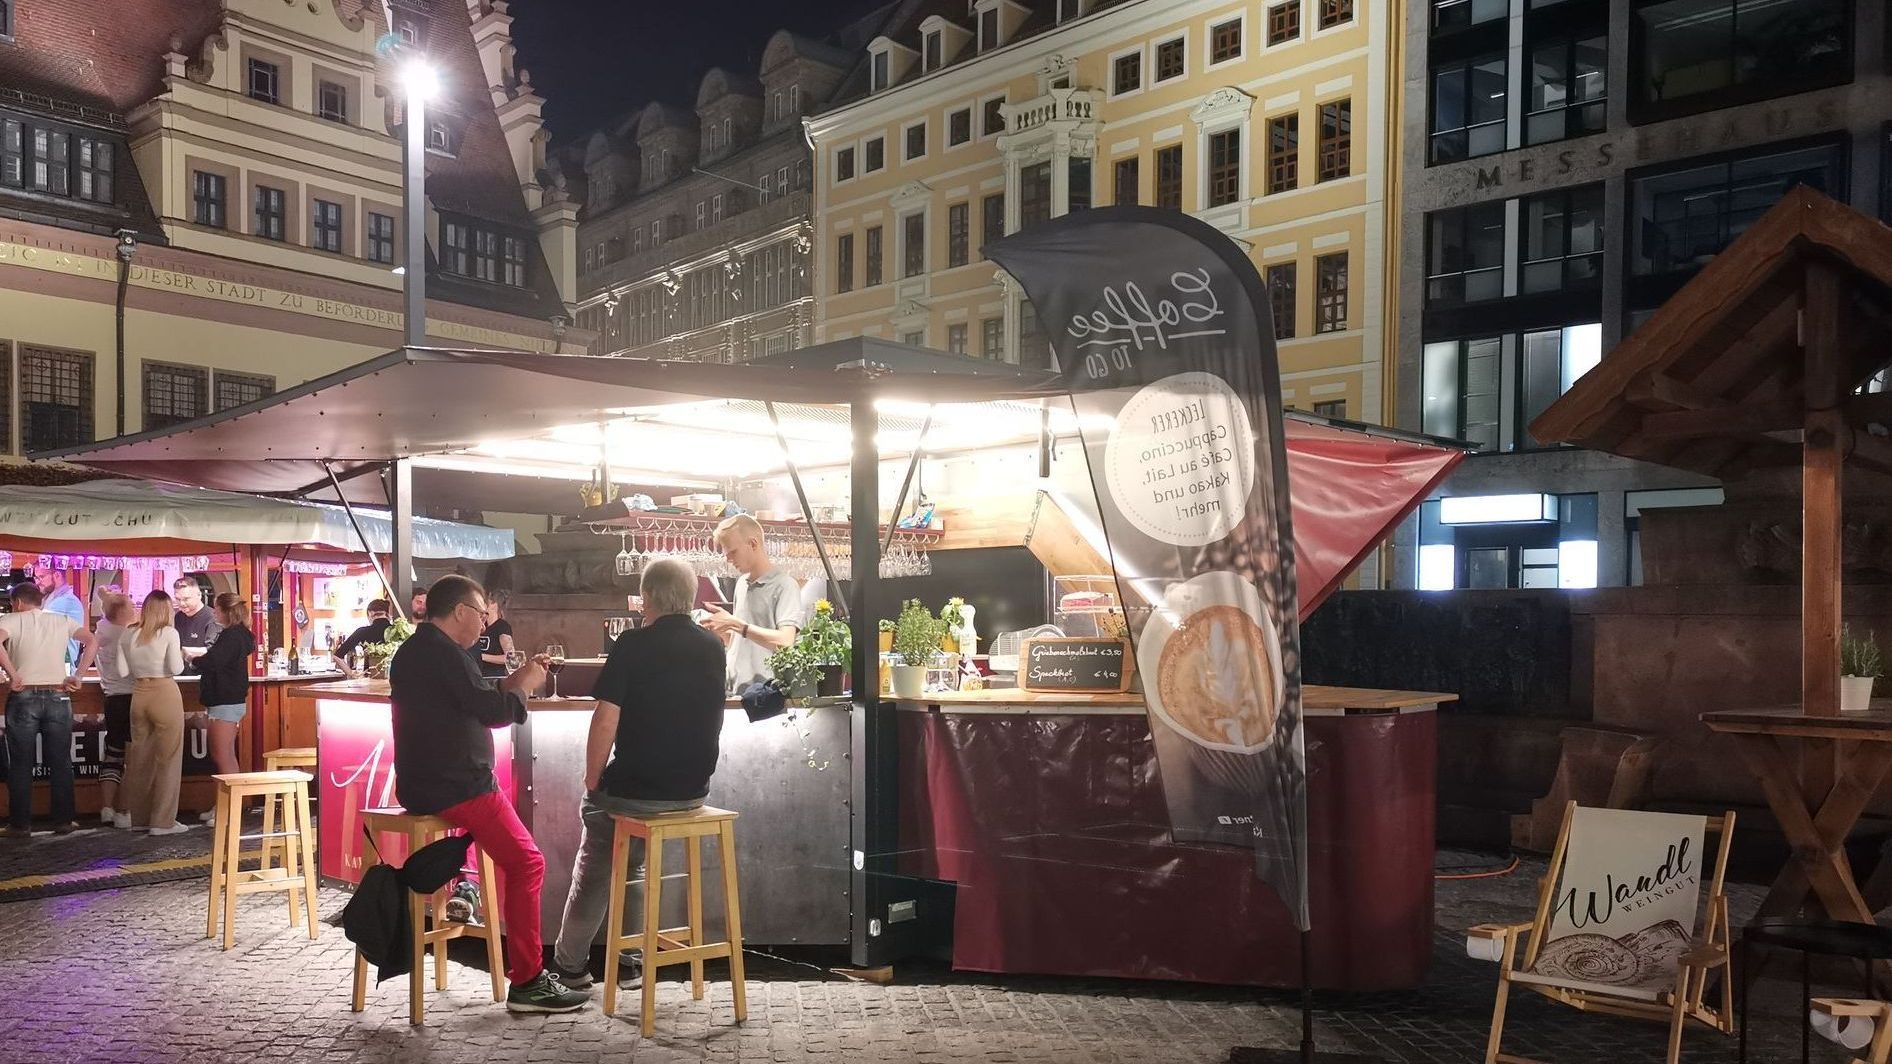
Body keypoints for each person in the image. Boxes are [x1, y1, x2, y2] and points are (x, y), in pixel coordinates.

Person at [388, 575, 587, 1014]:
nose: (484, 623)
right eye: (481, 614)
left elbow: (471, 701)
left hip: (422, 783)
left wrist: (514, 679)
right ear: (460, 611)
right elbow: (495, 714)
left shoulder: (419, 651)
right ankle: (529, 981)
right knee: (527, 862)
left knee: (514, 860)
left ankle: (483, 910)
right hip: (456, 785)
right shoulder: (447, 656)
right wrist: (525, 685)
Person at [550, 557, 725, 991]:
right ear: (690, 597)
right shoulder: (713, 647)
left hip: (636, 794)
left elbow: (605, 719)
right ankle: (629, 962)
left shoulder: (631, 644)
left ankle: (570, 967)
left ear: (647, 598)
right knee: (635, 859)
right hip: (692, 794)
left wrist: (592, 780)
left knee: (597, 856)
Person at [0, 581, 91, 838]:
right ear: (40, 600)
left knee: (20, 762)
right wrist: (79, 675)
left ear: (17, 602)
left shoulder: (12, 619)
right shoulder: (61, 620)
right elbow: (92, 640)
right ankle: (63, 821)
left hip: (23, 696)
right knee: (61, 760)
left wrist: (12, 674)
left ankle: (20, 824)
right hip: (59, 695)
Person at [702, 513, 805, 690]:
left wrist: (737, 625)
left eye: (733, 552)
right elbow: (740, 641)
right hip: (735, 689)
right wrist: (721, 630)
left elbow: (786, 641)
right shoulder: (741, 584)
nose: (728, 559)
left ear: (753, 544)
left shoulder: (785, 585)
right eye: (726, 554)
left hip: (765, 696)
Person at [118, 589, 189, 836]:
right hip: (165, 692)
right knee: (168, 758)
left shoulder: (128, 634)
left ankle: (139, 818)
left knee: (140, 759)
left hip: (139, 695)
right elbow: (177, 669)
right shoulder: (169, 633)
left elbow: (122, 670)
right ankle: (163, 822)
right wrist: (181, 654)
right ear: (167, 610)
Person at [197, 593, 256, 821]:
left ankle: (229, 810)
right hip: (228, 700)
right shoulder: (239, 635)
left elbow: (214, 661)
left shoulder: (231, 636)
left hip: (225, 700)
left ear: (225, 611)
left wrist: (194, 660)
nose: (214, 613)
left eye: (216, 609)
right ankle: (225, 806)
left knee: (222, 755)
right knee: (226, 755)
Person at [94, 593, 137, 827]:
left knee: (113, 752)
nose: (135, 609)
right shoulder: (127, 635)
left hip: (111, 698)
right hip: (132, 697)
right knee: (133, 756)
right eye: (131, 605)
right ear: (122, 612)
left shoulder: (101, 631)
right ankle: (125, 809)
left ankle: (106, 807)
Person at [36, 569, 86, 666]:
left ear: (57, 575)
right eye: (36, 578)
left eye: (41, 577)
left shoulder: (65, 600)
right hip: (54, 663)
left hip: (61, 664)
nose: (37, 582)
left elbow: (36, 629)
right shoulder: (51, 599)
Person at [334, 599, 393, 678]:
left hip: (371, 677)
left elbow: (337, 656)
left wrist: (351, 673)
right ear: (388, 614)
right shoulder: (398, 630)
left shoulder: (362, 631)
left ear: (370, 613)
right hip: (394, 678)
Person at [171, 577, 221, 670]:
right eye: (178, 599)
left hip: (203, 675)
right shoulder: (178, 617)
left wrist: (185, 651)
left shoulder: (212, 618)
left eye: (186, 599)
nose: (181, 603)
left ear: (199, 595)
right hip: (182, 674)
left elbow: (214, 651)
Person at [474, 590, 516, 678]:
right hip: (477, 675)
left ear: (494, 605)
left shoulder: (502, 627)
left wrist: (481, 656)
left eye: (485, 602)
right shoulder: (480, 625)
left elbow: (510, 658)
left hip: (494, 677)